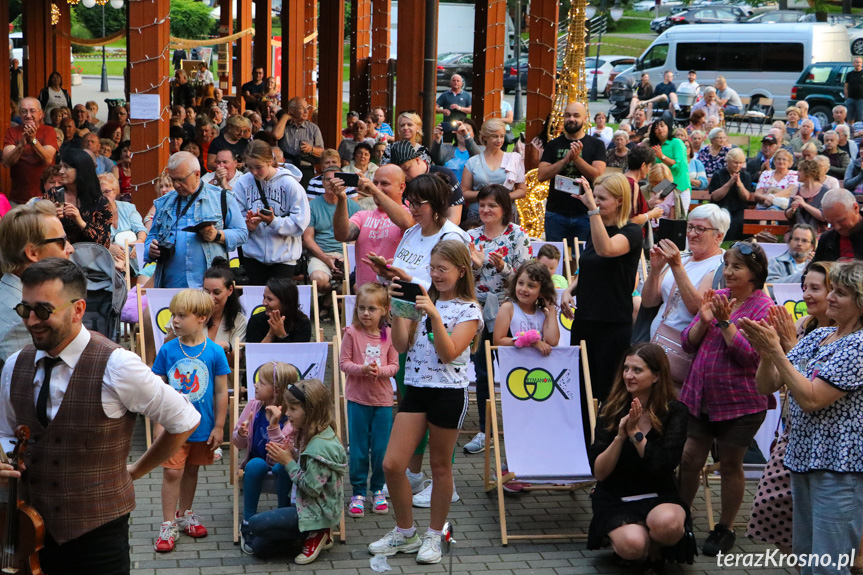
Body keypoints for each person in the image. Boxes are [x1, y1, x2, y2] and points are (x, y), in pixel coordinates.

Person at [0, 258, 200, 573]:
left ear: (78, 309)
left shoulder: (118, 365)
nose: (31, 320)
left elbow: (184, 420)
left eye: (43, 310)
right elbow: (7, 432)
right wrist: (7, 459)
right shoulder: (15, 365)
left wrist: (136, 469)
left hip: (98, 536)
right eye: (25, 309)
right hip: (29, 528)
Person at [740, 260, 863, 575]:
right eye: (832, 290)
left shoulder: (859, 347)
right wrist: (768, 353)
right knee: (808, 559)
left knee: (829, 566)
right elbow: (766, 386)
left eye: (841, 293)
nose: (831, 297)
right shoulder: (819, 336)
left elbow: (810, 399)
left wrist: (777, 352)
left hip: (840, 468)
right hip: (803, 460)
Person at [369, 240, 481, 564]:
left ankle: (434, 534)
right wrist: (399, 311)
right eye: (433, 268)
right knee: (392, 464)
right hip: (415, 388)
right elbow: (402, 346)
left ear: (461, 271)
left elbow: (448, 353)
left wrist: (432, 314)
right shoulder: (423, 298)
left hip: (449, 392)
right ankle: (405, 533)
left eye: (442, 269)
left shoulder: (468, 309)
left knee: (440, 467)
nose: (436, 274)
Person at [677, 240, 773, 557]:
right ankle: (681, 518)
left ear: (754, 273)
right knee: (689, 459)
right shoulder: (717, 298)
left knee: (730, 465)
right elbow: (687, 343)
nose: (728, 272)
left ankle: (725, 528)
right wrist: (704, 321)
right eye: (727, 265)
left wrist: (724, 322)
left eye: (737, 267)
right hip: (701, 397)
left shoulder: (765, 308)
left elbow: (748, 357)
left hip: (741, 404)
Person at [587, 343, 689, 569]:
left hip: (658, 492)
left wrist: (636, 434)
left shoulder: (675, 411)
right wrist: (620, 437)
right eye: (626, 368)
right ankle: (635, 541)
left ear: (656, 376)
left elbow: (662, 466)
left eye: (637, 370)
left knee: (669, 526)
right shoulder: (610, 408)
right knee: (633, 545)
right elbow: (599, 472)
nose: (628, 376)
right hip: (616, 495)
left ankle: (655, 544)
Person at [151, 289, 229, 553]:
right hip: (173, 427)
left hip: (202, 426)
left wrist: (219, 426)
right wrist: (157, 425)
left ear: (202, 318)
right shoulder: (168, 350)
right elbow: (157, 391)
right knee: (172, 472)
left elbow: (221, 391)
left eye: (181, 315)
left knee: (192, 470)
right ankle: (168, 522)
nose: (174, 320)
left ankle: (185, 513)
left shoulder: (216, 352)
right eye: (173, 314)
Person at [245, 378, 347, 564]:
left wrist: (289, 462)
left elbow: (312, 487)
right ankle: (303, 534)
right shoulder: (307, 431)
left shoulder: (320, 446)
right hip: (305, 505)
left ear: (311, 411)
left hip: (316, 511)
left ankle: (318, 532)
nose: (287, 413)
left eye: (293, 409)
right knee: (259, 548)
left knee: (256, 524)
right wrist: (292, 454)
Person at [464, 186, 534, 454]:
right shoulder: (470, 236)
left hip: (509, 313)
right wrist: (475, 264)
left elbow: (527, 277)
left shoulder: (518, 235)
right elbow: (461, 274)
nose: (485, 210)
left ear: (504, 207)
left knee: (514, 369)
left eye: (492, 205)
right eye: (482, 205)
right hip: (478, 313)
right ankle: (485, 430)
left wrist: (502, 267)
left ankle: (524, 427)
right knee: (483, 373)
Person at [560, 173, 642, 402]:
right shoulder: (594, 229)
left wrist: (592, 212)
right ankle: (583, 437)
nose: (594, 202)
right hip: (585, 320)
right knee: (581, 389)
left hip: (612, 324)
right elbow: (589, 269)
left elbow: (606, 250)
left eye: (601, 198)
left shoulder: (632, 232)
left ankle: (607, 437)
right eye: (593, 196)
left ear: (620, 201)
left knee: (607, 391)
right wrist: (569, 290)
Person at [145, 152, 248, 288]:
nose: (176, 185)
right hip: (171, 286)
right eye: (173, 179)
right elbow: (151, 237)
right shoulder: (163, 203)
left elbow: (242, 233)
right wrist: (150, 250)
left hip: (208, 287)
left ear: (197, 174)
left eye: (181, 180)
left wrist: (217, 235)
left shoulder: (222, 197)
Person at [340, 283, 400, 518]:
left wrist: (380, 371)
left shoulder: (389, 335)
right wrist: (363, 369)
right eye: (362, 308)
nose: (366, 313)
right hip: (357, 400)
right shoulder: (352, 333)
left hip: (383, 401)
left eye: (372, 309)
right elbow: (343, 363)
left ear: (384, 309)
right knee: (358, 449)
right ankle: (357, 492)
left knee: (381, 449)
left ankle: (377, 489)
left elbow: (394, 366)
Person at [232, 361, 298, 553]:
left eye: (261, 382)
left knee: (281, 466)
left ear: (276, 389)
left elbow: (281, 452)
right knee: (255, 464)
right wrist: (241, 435)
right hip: (256, 466)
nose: (255, 385)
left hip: (281, 465)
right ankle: (248, 520)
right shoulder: (253, 406)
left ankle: (282, 516)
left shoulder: (291, 416)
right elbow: (237, 443)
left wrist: (274, 425)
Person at [0, 202, 74, 363]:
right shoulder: (23, 320)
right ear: (33, 253)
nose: (70, 248)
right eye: (61, 241)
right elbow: (27, 384)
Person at [642, 204, 727, 342]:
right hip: (656, 339)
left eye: (700, 229)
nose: (692, 234)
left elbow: (697, 309)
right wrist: (655, 270)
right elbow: (648, 302)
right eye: (690, 227)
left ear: (719, 236)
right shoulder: (683, 258)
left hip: (684, 347)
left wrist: (676, 266)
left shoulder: (720, 266)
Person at [234, 141, 310, 284]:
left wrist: (273, 222)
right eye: (249, 167)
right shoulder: (242, 183)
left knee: (278, 302)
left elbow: (301, 222)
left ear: (270, 162)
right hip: (253, 256)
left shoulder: (290, 184)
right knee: (257, 305)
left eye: (258, 167)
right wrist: (247, 225)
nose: (254, 172)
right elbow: (236, 215)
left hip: (284, 258)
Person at [538, 101, 607, 246]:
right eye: (568, 115)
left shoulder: (596, 144)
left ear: (585, 118)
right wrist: (564, 161)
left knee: (582, 259)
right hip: (556, 212)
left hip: (585, 212)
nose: (571, 119)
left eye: (576, 115)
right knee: (555, 257)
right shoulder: (553, 145)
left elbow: (597, 174)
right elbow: (542, 175)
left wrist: (576, 159)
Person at [333, 165, 412, 289]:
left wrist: (375, 190)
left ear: (401, 187)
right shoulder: (363, 215)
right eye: (375, 183)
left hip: (394, 300)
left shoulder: (410, 214)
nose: (378, 187)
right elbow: (341, 235)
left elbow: (407, 224)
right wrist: (341, 198)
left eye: (384, 184)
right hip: (365, 301)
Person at [304, 168, 361, 307]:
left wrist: (347, 258)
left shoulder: (354, 206)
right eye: (328, 179)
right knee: (319, 279)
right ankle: (332, 294)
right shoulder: (311, 206)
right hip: (321, 254)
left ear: (344, 184)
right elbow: (308, 238)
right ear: (322, 182)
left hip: (345, 254)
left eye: (336, 179)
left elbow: (355, 238)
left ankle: (329, 301)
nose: (331, 183)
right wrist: (327, 259)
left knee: (355, 282)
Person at [40, 148, 112, 248]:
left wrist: (80, 222)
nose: (61, 171)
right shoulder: (52, 195)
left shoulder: (100, 201)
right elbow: (38, 230)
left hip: (89, 257)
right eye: (60, 167)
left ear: (81, 170)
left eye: (66, 167)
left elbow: (105, 242)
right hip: (58, 255)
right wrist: (53, 219)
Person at [462, 119, 526, 224]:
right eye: (495, 136)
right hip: (478, 216)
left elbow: (522, 191)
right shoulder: (473, 162)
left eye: (502, 136)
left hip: (505, 214)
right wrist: (487, 195)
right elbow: (464, 193)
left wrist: (501, 197)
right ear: (485, 137)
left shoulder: (513, 159)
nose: (499, 140)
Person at [390, 139, 465, 225]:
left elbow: (454, 218)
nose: (404, 175)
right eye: (399, 171)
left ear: (417, 160)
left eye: (407, 169)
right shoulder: (400, 182)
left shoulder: (445, 176)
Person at [2, 97, 58, 205]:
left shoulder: (48, 131)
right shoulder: (12, 132)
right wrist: (21, 145)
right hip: (18, 198)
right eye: (24, 111)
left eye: (32, 111)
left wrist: (32, 140)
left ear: (41, 114)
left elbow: (48, 159)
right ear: (19, 114)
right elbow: (6, 162)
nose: (28, 115)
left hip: (45, 197)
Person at [274, 98, 324, 187]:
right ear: (291, 110)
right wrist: (285, 117)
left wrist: (311, 149)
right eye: (302, 108)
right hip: (287, 168)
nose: (306, 111)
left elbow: (321, 152)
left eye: (307, 108)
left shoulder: (313, 128)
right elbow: (276, 135)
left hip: (305, 168)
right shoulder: (284, 126)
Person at [246, 277, 312, 343]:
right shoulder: (256, 320)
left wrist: (282, 335)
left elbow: (298, 353)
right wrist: (270, 334)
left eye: (269, 299)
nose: (264, 303)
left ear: (286, 302)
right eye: (264, 297)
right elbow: (254, 352)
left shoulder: (302, 323)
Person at [708, 147, 751, 242]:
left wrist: (740, 185)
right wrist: (729, 183)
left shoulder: (745, 175)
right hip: (722, 207)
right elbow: (715, 196)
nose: (738, 165)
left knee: (740, 219)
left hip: (739, 208)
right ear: (728, 161)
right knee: (724, 217)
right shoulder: (719, 174)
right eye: (735, 162)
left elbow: (746, 197)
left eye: (741, 163)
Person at [649, 119, 691, 211]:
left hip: (679, 185)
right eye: (656, 128)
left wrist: (662, 156)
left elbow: (678, 166)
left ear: (668, 127)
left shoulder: (677, 142)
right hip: (662, 187)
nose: (659, 129)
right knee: (659, 218)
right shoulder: (655, 147)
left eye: (662, 126)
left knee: (677, 221)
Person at [812, 189, 863, 262]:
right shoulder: (827, 238)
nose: (837, 227)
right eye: (831, 223)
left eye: (841, 221)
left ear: (855, 208)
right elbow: (815, 268)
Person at [785, 159, 828, 232]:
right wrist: (792, 209)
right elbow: (788, 215)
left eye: (799, 171)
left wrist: (804, 204)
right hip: (796, 231)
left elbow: (823, 217)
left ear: (808, 172)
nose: (797, 174)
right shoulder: (796, 190)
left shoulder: (825, 191)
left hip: (818, 231)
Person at [435, 75, 472, 144]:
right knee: (447, 144)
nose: (456, 82)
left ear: (461, 83)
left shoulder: (466, 95)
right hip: (448, 124)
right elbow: (434, 108)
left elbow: (471, 110)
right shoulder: (445, 95)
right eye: (454, 81)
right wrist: (442, 111)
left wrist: (459, 108)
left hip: (461, 125)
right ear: (450, 82)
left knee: (461, 144)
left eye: (458, 81)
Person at [846, 56, 863, 124]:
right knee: (850, 118)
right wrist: (846, 98)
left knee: (860, 118)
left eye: (860, 62)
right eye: (856, 62)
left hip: (861, 99)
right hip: (850, 99)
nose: (858, 64)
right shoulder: (849, 74)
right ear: (853, 63)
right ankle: (850, 131)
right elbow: (846, 87)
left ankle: (859, 133)